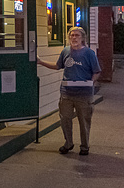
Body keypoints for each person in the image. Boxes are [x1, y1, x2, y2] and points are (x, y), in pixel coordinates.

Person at [37, 27, 101, 156]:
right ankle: (68, 143)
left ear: (82, 38)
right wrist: (40, 62)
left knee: (84, 121)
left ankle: (84, 146)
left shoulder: (89, 53)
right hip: (66, 93)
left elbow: (97, 71)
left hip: (84, 95)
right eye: (71, 35)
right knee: (65, 119)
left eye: (77, 35)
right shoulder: (65, 51)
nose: (74, 38)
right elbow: (57, 66)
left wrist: (90, 83)